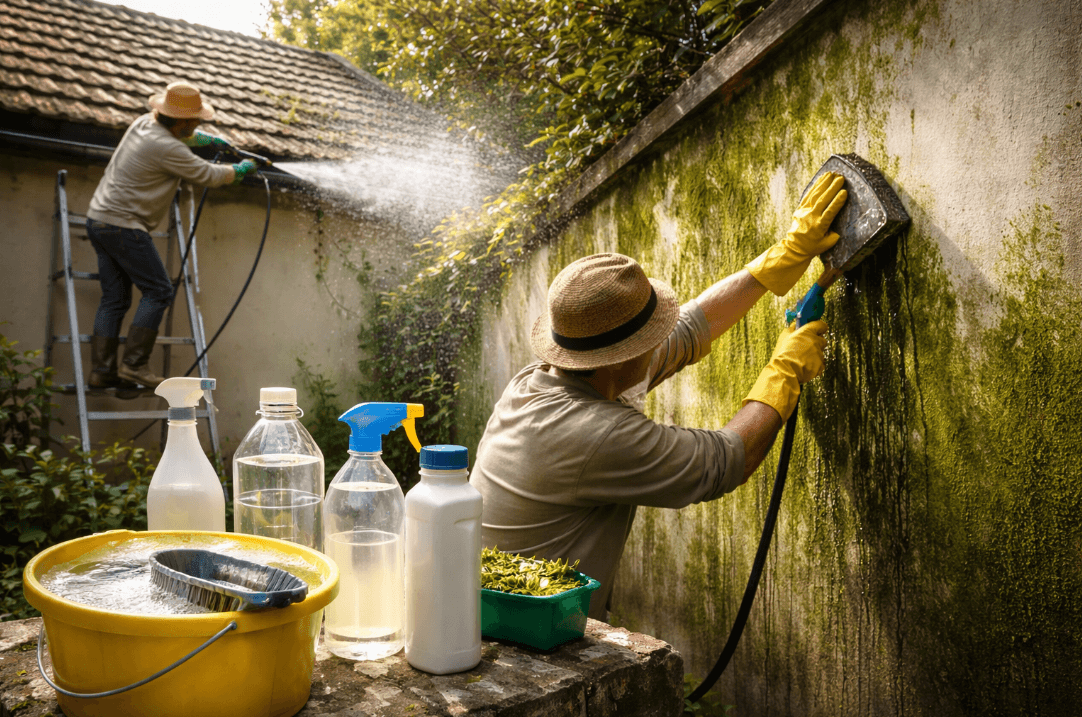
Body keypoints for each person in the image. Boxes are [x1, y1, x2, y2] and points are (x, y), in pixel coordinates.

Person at [470, 172, 848, 619]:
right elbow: (729, 459)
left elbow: (689, 328)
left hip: (487, 610)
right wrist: (784, 371)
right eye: (651, 335)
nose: (661, 336)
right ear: (619, 357)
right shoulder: (595, 434)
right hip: (519, 639)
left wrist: (782, 258)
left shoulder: (543, 379)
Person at [85, 80, 258, 389]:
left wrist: (210, 140)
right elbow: (207, 174)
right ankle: (134, 366)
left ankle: (102, 371)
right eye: (196, 121)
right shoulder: (168, 148)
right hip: (124, 225)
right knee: (160, 291)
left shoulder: (145, 123)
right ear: (181, 121)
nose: (199, 123)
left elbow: (184, 141)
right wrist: (240, 170)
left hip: (99, 220)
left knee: (114, 299)